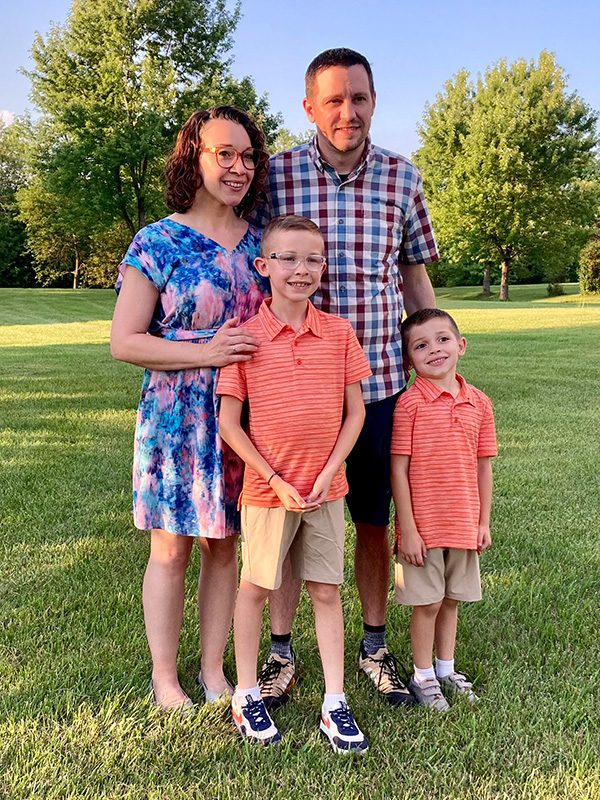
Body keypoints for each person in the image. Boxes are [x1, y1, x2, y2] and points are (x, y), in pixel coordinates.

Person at [249, 48, 438, 707]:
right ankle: (279, 654)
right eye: (333, 100)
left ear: (374, 101)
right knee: (284, 515)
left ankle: (375, 646)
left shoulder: (402, 177)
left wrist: (434, 353)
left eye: (358, 98)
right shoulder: (277, 177)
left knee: (371, 519)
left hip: (379, 381)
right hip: (290, 391)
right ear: (309, 107)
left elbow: (415, 274)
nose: (347, 111)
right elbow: (254, 264)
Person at [110, 105, 269, 710]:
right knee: (172, 547)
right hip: (176, 417)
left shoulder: (262, 241)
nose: (237, 167)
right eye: (223, 154)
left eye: (247, 155)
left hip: (242, 418)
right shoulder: (158, 239)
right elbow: (125, 341)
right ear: (193, 158)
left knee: (227, 543)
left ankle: (213, 671)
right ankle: (165, 677)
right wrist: (206, 349)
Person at [217, 215, 371, 752]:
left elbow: (355, 415)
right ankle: (245, 693)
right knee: (256, 588)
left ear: (323, 268)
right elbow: (229, 424)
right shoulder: (245, 338)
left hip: (327, 490)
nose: (300, 269)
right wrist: (276, 479)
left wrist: (329, 473)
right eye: (287, 258)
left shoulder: (339, 333)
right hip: (268, 492)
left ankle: (335, 703)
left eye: (312, 259)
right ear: (264, 266)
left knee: (326, 591)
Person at [391, 308, 497, 710]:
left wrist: (483, 521)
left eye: (442, 340)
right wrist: (409, 531)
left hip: (464, 522)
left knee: (451, 600)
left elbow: (482, 465)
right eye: (421, 346)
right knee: (428, 602)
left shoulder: (480, 403)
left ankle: (445, 668)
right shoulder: (410, 405)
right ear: (409, 360)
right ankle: (422, 678)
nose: (434, 350)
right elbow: (397, 472)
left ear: (461, 345)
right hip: (424, 527)